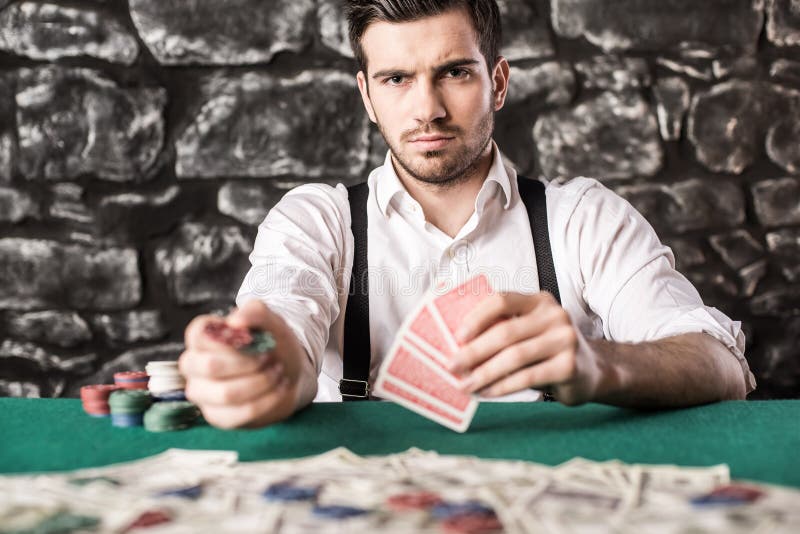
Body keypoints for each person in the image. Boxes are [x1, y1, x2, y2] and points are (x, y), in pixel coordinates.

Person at [179, 0, 755, 429]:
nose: (426, 109)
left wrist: (597, 365)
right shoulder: (315, 222)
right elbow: (283, 323)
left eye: (454, 72)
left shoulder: (583, 218)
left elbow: (721, 366)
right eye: (397, 79)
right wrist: (262, 361)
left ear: (497, 82)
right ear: (367, 97)